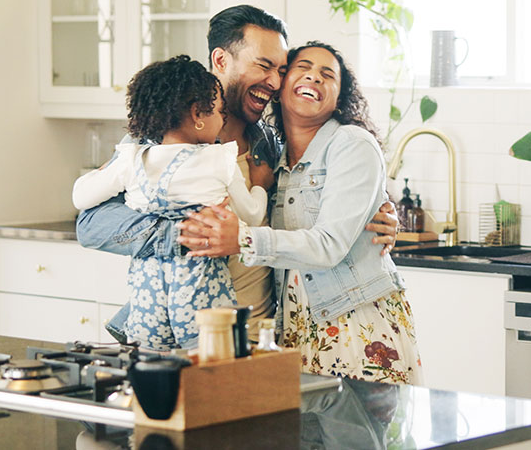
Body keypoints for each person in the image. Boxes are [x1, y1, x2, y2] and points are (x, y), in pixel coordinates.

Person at [75, 5, 399, 343]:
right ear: (220, 61)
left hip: (261, 337)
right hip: (177, 335)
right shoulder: (156, 140)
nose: (275, 81)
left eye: (281, 70)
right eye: (264, 66)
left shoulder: (272, 144)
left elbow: (315, 211)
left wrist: (378, 214)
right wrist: (185, 234)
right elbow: (89, 226)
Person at [179, 42, 423, 384]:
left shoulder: (352, 144)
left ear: (340, 97)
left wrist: (242, 240)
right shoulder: (273, 162)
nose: (314, 76)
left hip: (357, 326)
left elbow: (329, 245)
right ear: (280, 89)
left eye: (328, 74)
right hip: (294, 332)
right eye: (303, 67)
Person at [73, 56, 268, 350]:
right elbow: (252, 216)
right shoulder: (218, 159)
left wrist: (105, 173)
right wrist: (261, 186)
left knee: (153, 369)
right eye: (218, 112)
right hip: (202, 289)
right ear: (197, 115)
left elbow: (81, 197)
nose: (222, 119)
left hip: (147, 294)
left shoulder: (132, 158)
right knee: (210, 369)